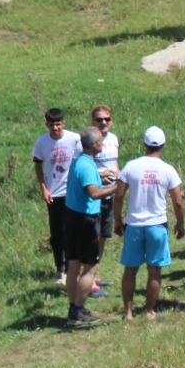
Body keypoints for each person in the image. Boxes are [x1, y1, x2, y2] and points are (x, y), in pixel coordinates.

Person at [114, 126, 185, 320]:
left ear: (144, 143)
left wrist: (117, 220)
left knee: (130, 270)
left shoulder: (131, 166)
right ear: (163, 145)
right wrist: (180, 224)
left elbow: (119, 196)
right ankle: (149, 311)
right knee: (154, 271)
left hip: (134, 224)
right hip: (157, 225)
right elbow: (178, 202)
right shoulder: (167, 169)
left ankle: (128, 312)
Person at [62, 127, 115, 327]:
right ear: (94, 144)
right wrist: (118, 188)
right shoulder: (86, 166)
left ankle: (73, 307)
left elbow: (86, 184)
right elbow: (93, 193)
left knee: (74, 266)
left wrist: (100, 177)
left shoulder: (80, 162)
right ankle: (77, 312)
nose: (103, 143)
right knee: (90, 268)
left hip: (70, 217)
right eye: (101, 140)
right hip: (85, 220)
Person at [32, 109, 81, 283]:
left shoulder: (74, 139)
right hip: (53, 193)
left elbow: (83, 160)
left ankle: (70, 267)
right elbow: (37, 164)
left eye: (58, 124)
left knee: (71, 230)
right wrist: (43, 188)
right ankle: (59, 268)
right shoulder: (42, 142)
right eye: (51, 125)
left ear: (63, 123)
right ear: (47, 125)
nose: (55, 128)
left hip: (72, 192)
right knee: (56, 232)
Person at [90, 105, 121, 247]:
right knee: (91, 235)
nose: (103, 122)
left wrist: (119, 175)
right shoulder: (87, 140)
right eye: (99, 119)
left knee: (104, 234)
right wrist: (99, 176)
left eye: (107, 119)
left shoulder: (114, 139)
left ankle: (95, 267)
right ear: (93, 121)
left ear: (111, 120)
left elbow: (114, 162)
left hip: (110, 194)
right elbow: (80, 167)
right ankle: (86, 266)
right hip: (93, 195)